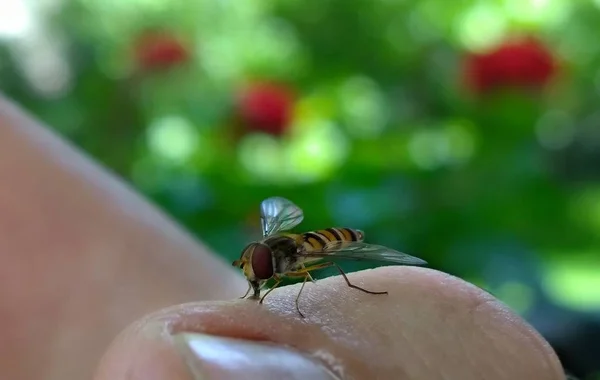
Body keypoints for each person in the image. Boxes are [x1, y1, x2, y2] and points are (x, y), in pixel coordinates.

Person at [0, 94, 566, 380]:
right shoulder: (270, 257)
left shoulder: (291, 259)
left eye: (255, 268)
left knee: (333, 265)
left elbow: (304, 266)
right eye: (252, 267)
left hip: (329, 247)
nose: (255, 269)